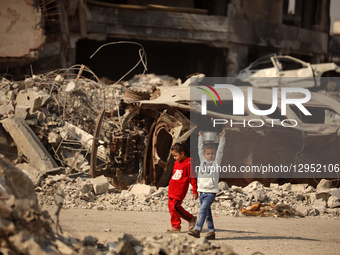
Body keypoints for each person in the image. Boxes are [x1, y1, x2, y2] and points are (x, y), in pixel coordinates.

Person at [188, 130, 226, 240]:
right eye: (208, 154)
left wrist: (222, 139)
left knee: (202, 210)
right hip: (202, 191)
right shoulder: (203, 161)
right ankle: (211, 232)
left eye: (212, 154)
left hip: (211, 192)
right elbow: (200, 149)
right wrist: (200, 138)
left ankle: (197, 229)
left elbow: (220, 151)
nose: (210, 156)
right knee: (208, 213)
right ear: (204, 155)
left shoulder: (216, 163)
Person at [167, 142, 198, 233]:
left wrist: (195, 190)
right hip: (172, 189)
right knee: (171, 207)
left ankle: (191, 218)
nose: (174, 158)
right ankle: (176, 227)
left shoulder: (188, 163)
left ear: (182, 154)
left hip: (179, 190)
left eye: (175, 155)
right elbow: (174, 175)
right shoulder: (176, 163)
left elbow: (192, 177)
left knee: (176, 206)